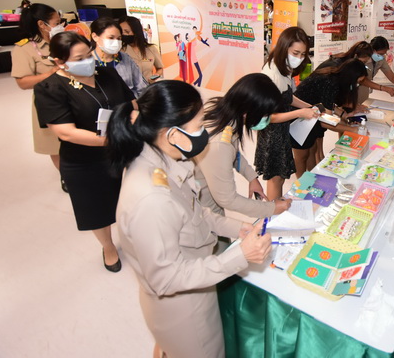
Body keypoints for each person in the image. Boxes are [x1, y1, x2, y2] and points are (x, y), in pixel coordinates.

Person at [107, 81, 272, 358]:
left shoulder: (166, 159)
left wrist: (239, 228)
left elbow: (196, 212)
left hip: (197, 285)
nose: (204, 132)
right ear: (172, 133)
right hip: (184, 309)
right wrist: (239, 256)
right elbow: (167, 278)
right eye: (198, 126)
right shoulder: (151, 198)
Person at [34, 31, 135, 272]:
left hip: (123, 151)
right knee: (96, 208)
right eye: (79, 59)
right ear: (59, 61)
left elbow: (131, 104)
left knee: (131, 199)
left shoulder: (107, 73)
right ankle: (108, 246)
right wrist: (114, 139)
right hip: (85, 160)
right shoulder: (49, 88)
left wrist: (135, 122)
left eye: (89, 54)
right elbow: (66, 133)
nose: (88, 61)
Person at [196, 73, 292, 218]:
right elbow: (228, 199)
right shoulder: (219, 143)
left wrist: (252, 177)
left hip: (207, 200)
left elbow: (233, 153)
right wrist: (271, 208)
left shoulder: (226, 114)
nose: (267, 118)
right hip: (202, 211)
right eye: (265, 114)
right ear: (248, 111)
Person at [254, 26, 319, 200]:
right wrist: (299, 113)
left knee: (281, 177)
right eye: (295, 53)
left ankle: (277, 207)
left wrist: (310, 107)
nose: (299, 58)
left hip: (282, 130)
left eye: (303, 54)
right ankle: (274, 211)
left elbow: (287, 97)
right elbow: (267, 117)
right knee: (275, 179)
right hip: (272, 133)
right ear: (284, 48)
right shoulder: (271, 74)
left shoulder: (285, 67)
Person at [11, 3, 65, 190]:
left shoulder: (64, 41)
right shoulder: (25, 49)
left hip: (74, 95)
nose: (60, 25)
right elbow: (22, 82)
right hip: (48, 101)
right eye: (56, 23)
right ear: (42, 24)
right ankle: (66, 176)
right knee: (54, 143)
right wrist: (50, 74)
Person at [292, 59, 367, 176]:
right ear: (351, 77)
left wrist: (343, 115)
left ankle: (312, 177)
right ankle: (300, 182)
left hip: (312, 114)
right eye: (358, 81)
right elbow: (325, 122)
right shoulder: (331, 82)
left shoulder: (335, 78)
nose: (358, 84)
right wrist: (351, 129)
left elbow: (327, 103)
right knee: (302, 156)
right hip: (298, 116)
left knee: (312, 150)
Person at [90, 17, 147, 97]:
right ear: (95, 36)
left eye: (119, 38)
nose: (116, 42)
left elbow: (141, 86)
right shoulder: (87, 62)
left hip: (131, 102)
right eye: (111, 38)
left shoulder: (125, 58)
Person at [360, 36, 394, 102]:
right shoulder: (362, 59)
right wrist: (384, 88)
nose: (382, 56)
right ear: (372, 50)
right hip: (354, 89)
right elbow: (362, 80)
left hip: (364, 90)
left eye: (384, 53)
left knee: (363, 104)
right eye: (380, 54)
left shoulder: (381, 59)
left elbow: (392, 77)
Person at [118, 16, 163, 84]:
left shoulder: (151, 49)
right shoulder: (119, 50)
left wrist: (155, 76)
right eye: (121, 32)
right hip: (129, 88)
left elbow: (160, 68)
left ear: (136, 31)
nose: (123, 34)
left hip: (148, 87)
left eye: (127, 31)